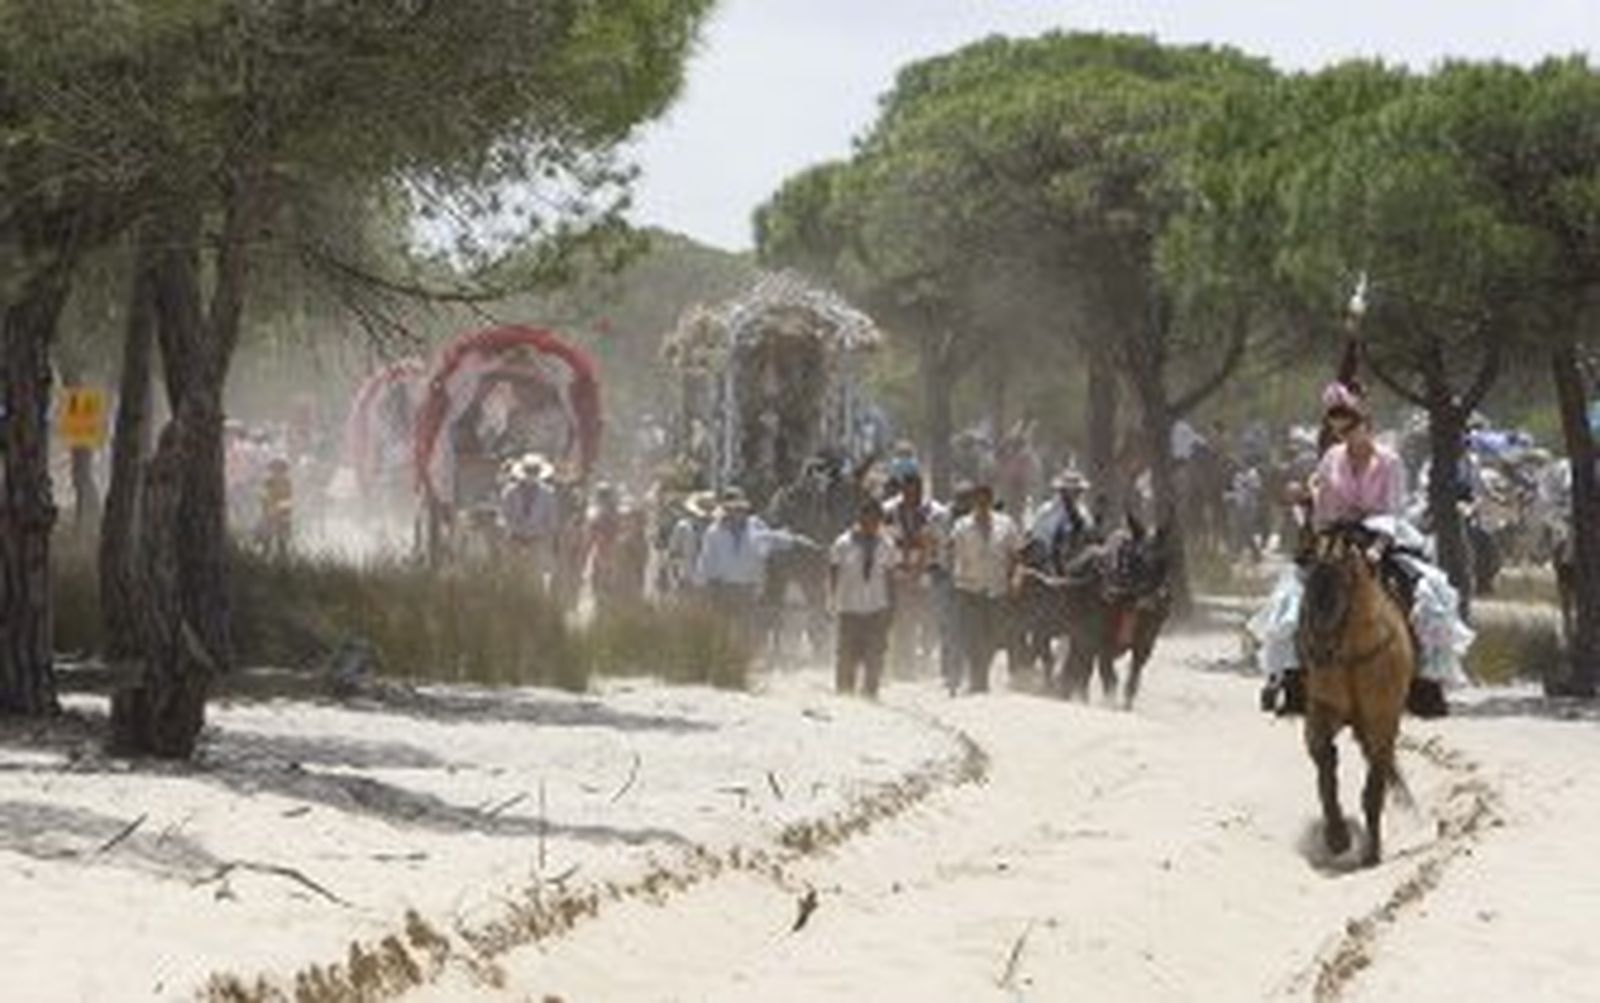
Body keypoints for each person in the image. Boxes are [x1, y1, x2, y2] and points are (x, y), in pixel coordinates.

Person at [1248, 381, 1471, 716]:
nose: (1344, 435)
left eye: (1351, 427)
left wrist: (1377, 547)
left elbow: (1394, 511)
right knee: (1294, 591)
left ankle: (1425, 681)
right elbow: (1324, 510)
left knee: (1425, 590)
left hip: (1381, 535)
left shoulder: (1390, 461)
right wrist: (1308, 502)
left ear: (1367, 425)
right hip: (1336, 535)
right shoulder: (1331, 459)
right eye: (1339, 430)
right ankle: (1293, 676)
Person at [695, 486, 806, 651]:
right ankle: (722, 660)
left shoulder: (755, 527)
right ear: (725, 509)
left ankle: (740, 663)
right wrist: (703, 586)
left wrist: (796, 540)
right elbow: (706, 560)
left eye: (740, 509)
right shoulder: (714, 532)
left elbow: (773, 538)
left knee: (746, 629)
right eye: (732, 509)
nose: (737, 513)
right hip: (721, 589)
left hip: (748, 589)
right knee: (722, 629)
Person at [948, 483, 1022, 694]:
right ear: (973, 502)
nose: (981, 505)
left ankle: (981, 673)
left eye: (985, 500)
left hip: (997, 590)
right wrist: (955, 578)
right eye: (978, 501)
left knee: (993, 637)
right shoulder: (962, 526)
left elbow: (1017, 556)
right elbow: (952, 553)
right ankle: (977, 679)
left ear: (990, 501)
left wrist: (1016, 578)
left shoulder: (1006, 525)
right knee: (973, 636)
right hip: (969, 589)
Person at [829, 498, 899, 697]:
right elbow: (833, 571)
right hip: (849, 607)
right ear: (860, 518)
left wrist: (892, 606)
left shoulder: (887, 545)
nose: (872, 523)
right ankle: (844, 692)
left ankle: (870, 692)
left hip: (876, 606)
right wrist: (832, 599)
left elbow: (890, 577)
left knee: (875, 654)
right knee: (847, 654)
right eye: (868, 517)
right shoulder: (843, 543)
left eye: (876, 519)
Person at [499, 454, 560, 589]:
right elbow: (504, 516)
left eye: (534, 471)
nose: (531, 475)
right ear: (522, 471)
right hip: (514, 540)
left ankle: (535, 606)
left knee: (535, 579)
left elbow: (552, 521)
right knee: (513, 578)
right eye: (529, 470)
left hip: (537, 542)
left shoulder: (548, 494)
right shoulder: (509, 492)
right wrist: (514, 532)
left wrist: (548, 539)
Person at [1029, 470, 1096, 571]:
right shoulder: (1046, 512)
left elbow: (1087, 538)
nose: (1073, 495)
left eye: (1076, 491)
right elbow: (1038, 539)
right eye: (1069, 491)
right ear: (1061, 492)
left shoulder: (1084, 514)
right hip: (1046, 562)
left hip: (1073, 563)